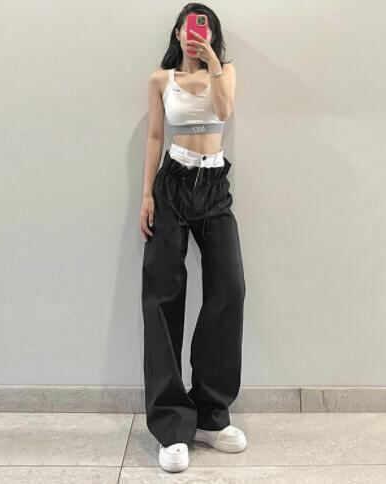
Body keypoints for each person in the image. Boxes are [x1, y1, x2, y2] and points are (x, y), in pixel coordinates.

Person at [139, 3, 247, 473]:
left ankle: (209, 414)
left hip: (214, 186)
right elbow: (154, 138)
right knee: (163, 296)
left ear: (212, 35)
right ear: (178, 33)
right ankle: (171, 425)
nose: (194, 34)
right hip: (172, 182)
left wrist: (214, 62)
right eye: (188, 27)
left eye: (203, 28)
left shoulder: (226, 73)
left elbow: (224, 110)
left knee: (229, 288)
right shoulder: (160, 79)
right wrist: (147, 194)